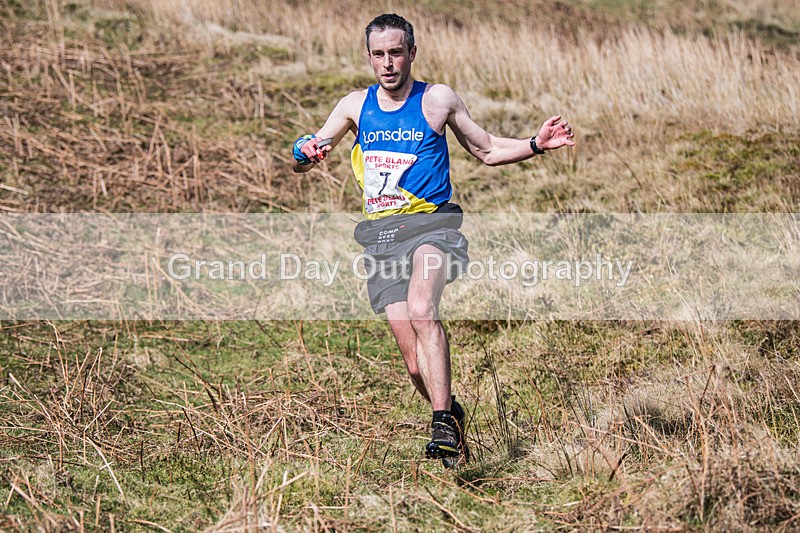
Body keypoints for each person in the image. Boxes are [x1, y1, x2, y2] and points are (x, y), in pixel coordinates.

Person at [292, 13, 575, 467]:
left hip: (433, 229)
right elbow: (307, 153)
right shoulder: (352, 106)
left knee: (424, 309)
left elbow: (485, 150)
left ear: (412, 53)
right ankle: (452, 413)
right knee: (414, 366)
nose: (388, 63)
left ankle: (441, 421)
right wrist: (303, 152)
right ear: (369, 58)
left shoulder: (437, 99)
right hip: (381, 240)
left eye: (397, 53)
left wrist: (535, 144)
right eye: (379, 54)